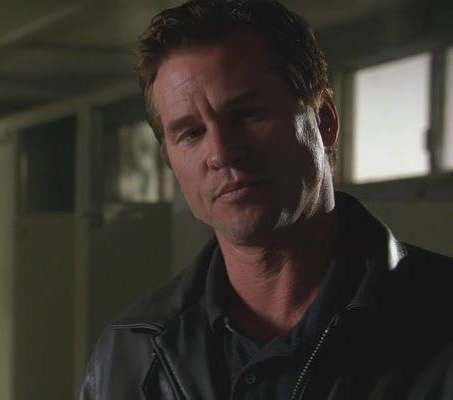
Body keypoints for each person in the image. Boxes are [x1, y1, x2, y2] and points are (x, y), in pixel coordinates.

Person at [79, 0, 453, 399]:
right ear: (170, 160)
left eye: (247, 114)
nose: (222, 153)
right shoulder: (129, 356)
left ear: (324, 119)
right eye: (191, 133)